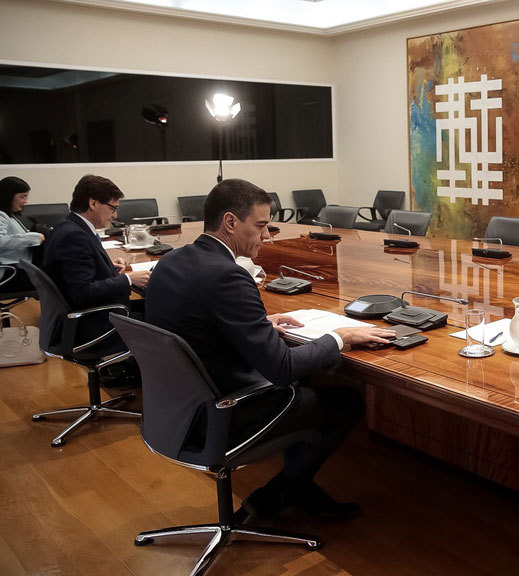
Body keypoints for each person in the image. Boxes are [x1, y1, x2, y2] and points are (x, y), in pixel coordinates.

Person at [146, 178, 396, 522]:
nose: (267, 236)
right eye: (260, 225)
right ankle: (276, 494)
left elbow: (194, 321)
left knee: (306, 385)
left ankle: (294, 488)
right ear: (230, 222)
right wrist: (339, 338)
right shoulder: (228, 276)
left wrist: (257, 325)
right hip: (222, 411)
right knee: (346, 402)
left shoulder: (173, 260)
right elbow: (281, 368)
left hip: (177, 407)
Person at [43, 175, 150, 352]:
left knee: (154, 307)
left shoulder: (68, 226)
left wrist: (107, 267)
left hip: (93, 314)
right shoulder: (74, 236)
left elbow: (76, 271)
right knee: (166, 318)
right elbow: (82, 292)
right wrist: (128, 279)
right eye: (112, 208)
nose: (115, 215)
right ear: (93, 203)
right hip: (95, 325)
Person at [0, 176, 44, 292]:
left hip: (19, 268)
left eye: (26, 197)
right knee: (55, 280)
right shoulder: (1, 215)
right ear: (8, 196)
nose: (25, 201)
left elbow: (17, 236)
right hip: (10, 272)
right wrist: (34, 237)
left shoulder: (10, 216)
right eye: (22, 197)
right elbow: (1, 241)